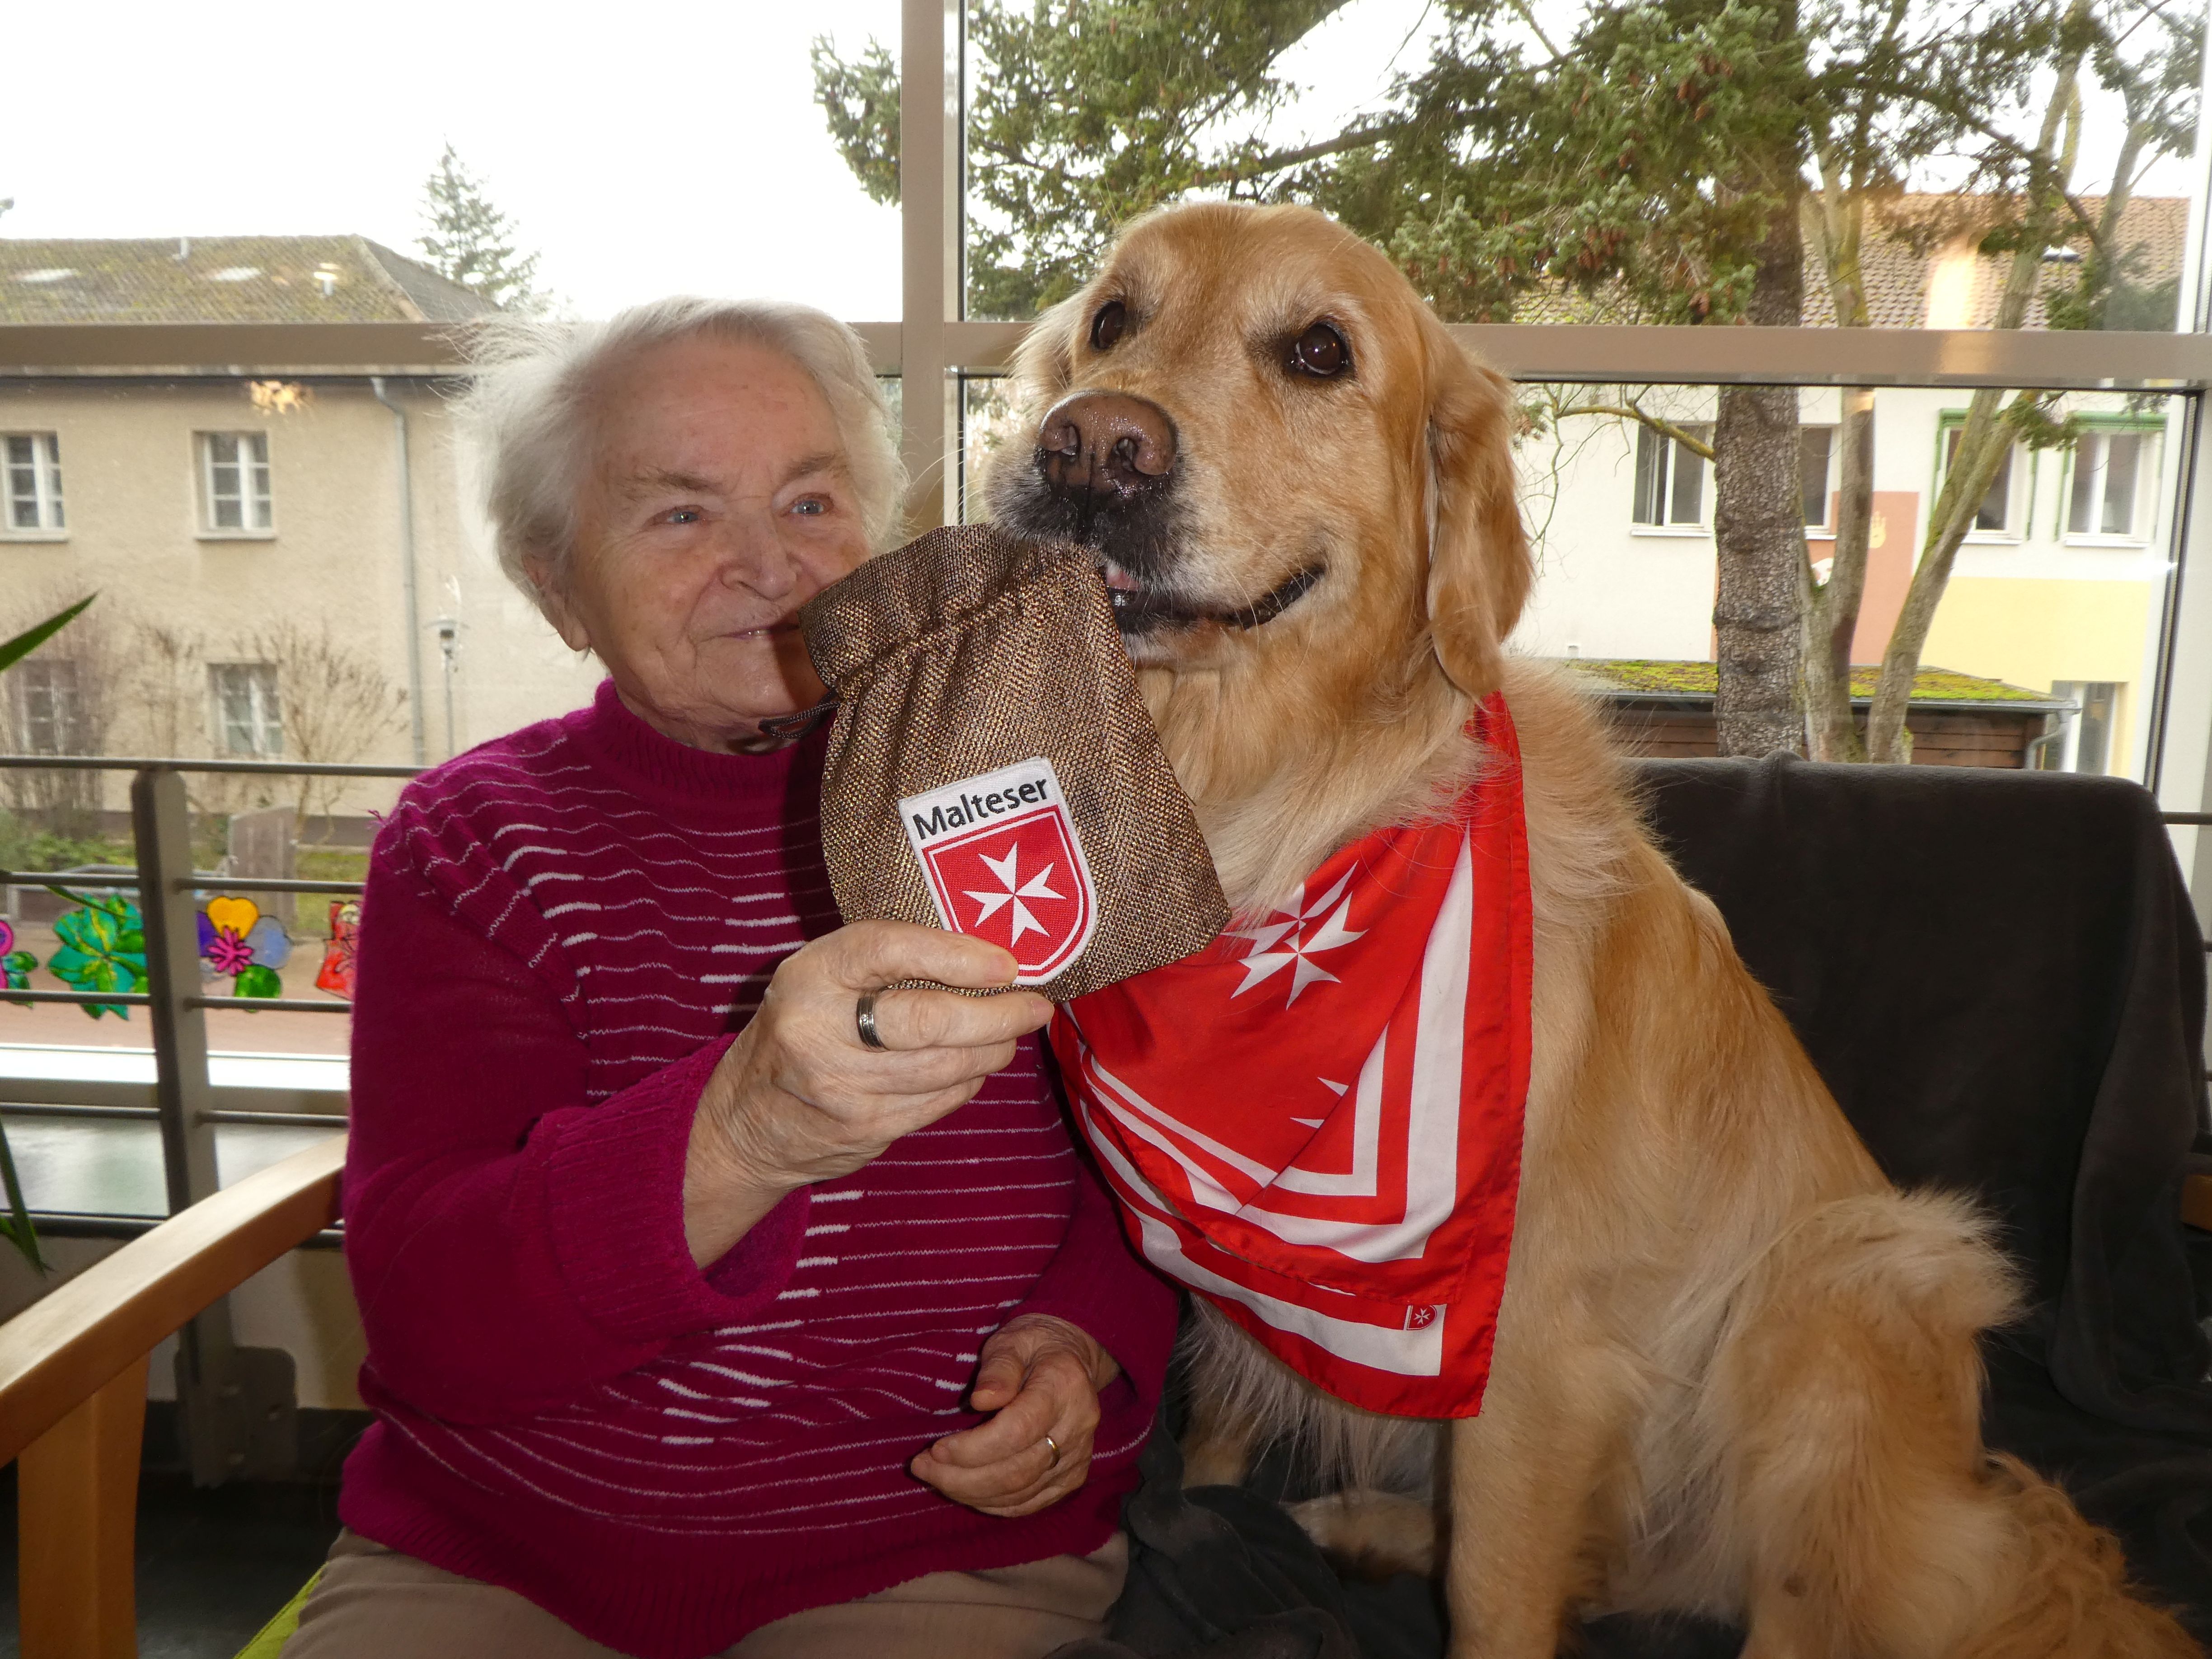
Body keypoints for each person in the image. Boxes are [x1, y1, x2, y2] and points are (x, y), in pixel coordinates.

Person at [284, 298, 1179, 1659]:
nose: (775, 570)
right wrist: (743, 1132)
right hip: (498, 1546)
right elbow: (424, 1311)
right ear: (553, 581)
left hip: (930, 1548)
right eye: (682, 516)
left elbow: (1165, 1153)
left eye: (813, 500)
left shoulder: (1024, 800)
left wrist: (1086, 1340)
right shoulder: (472, 844)